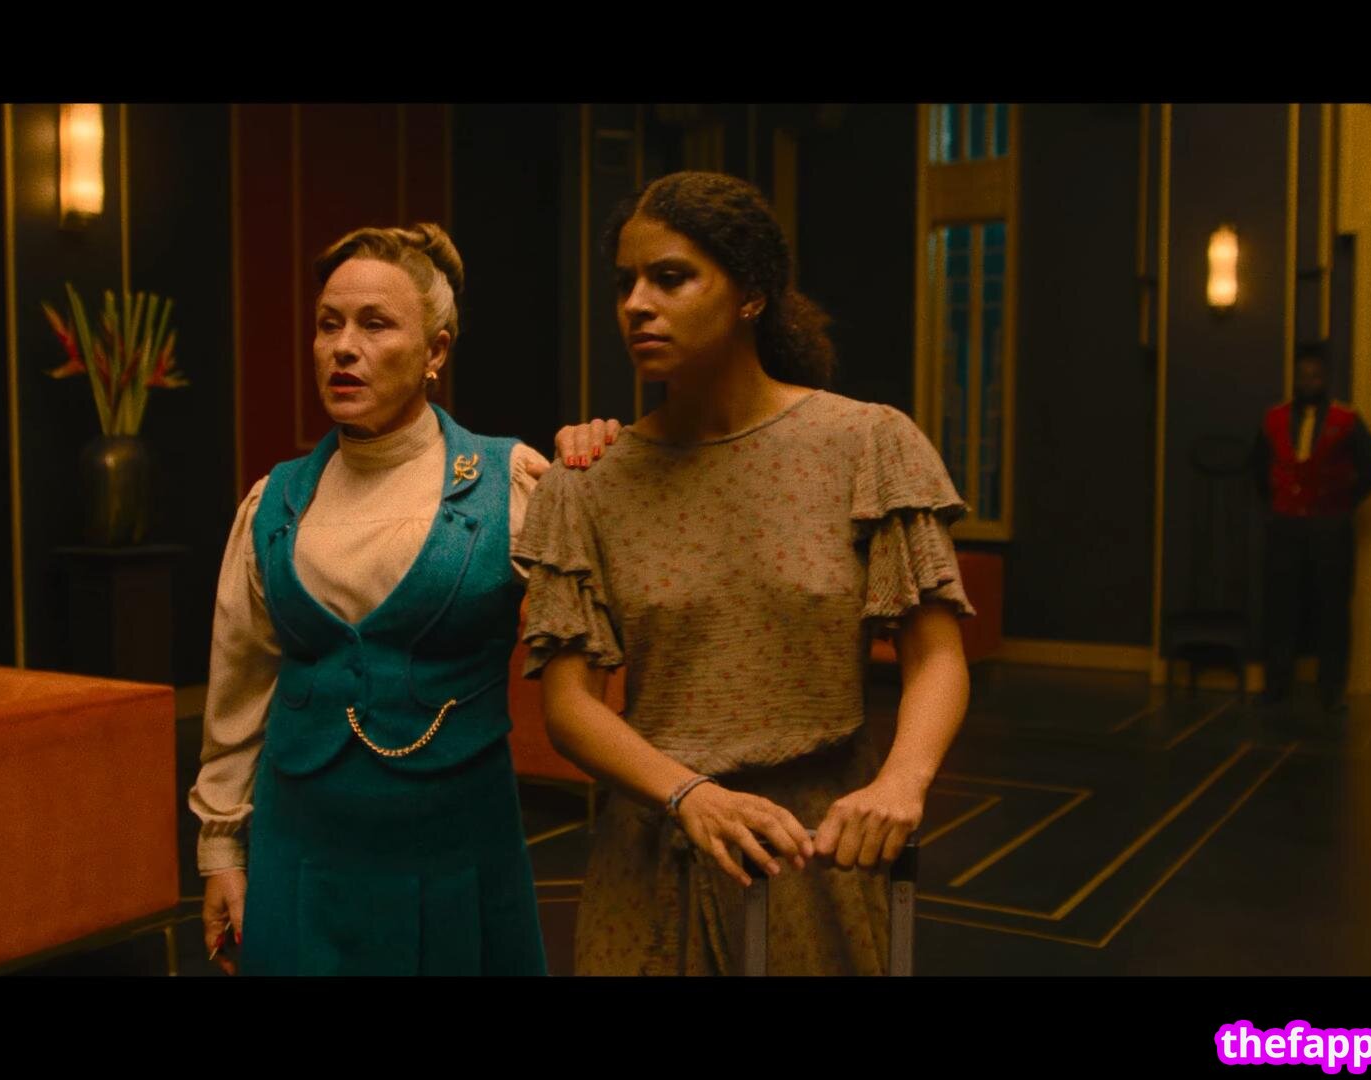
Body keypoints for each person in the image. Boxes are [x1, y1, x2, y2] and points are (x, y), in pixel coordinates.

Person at [515, 171, 975, 975]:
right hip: (656, 849)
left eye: (670, 277)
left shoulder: (866, 444)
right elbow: (569, 706)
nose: (636, 304)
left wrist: (903, 781)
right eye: (625, 283)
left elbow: (935, 654)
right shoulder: (589, 480)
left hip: (816, 849)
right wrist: (688, 794)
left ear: (752, 294)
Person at [188, 223, 555, 975]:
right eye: (329, 325)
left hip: (455, 860)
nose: (343, 348)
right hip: (300, 854)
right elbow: (239, 685)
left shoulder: (508, 484)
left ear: (436, 352)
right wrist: (221, 850)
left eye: (375, 324)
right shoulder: (274, 503)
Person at [1249, 344, 1371, 712]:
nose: (1309, 381)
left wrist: (1343, 502)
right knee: (1280, 604)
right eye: (1303, 375)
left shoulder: (1347, 420)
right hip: (1285, 525)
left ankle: (1331, 689)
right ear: (1295, 378)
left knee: (1332, 606)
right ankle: (1277, 685)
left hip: (1330, 526)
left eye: (1316, 375)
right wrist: (1276, 505)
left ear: (1325, 379)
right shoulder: (1273, 418)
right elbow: (1258, 467)